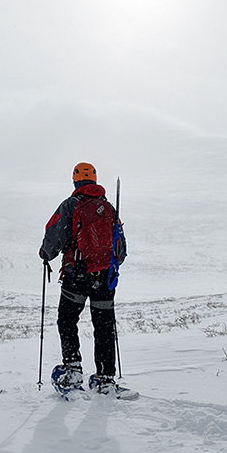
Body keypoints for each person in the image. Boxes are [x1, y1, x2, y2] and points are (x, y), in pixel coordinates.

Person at [38, 162, 130, 397]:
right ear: (95, 180)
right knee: (103, 326)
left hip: (76, 276)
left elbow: (53, 236)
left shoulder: (70, 205)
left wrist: (45, 254)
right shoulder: (108, 207)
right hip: (104, 278)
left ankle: (73, 369)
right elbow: (121, 250)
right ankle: (106, 379)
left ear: (75, 181)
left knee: (67, 320)